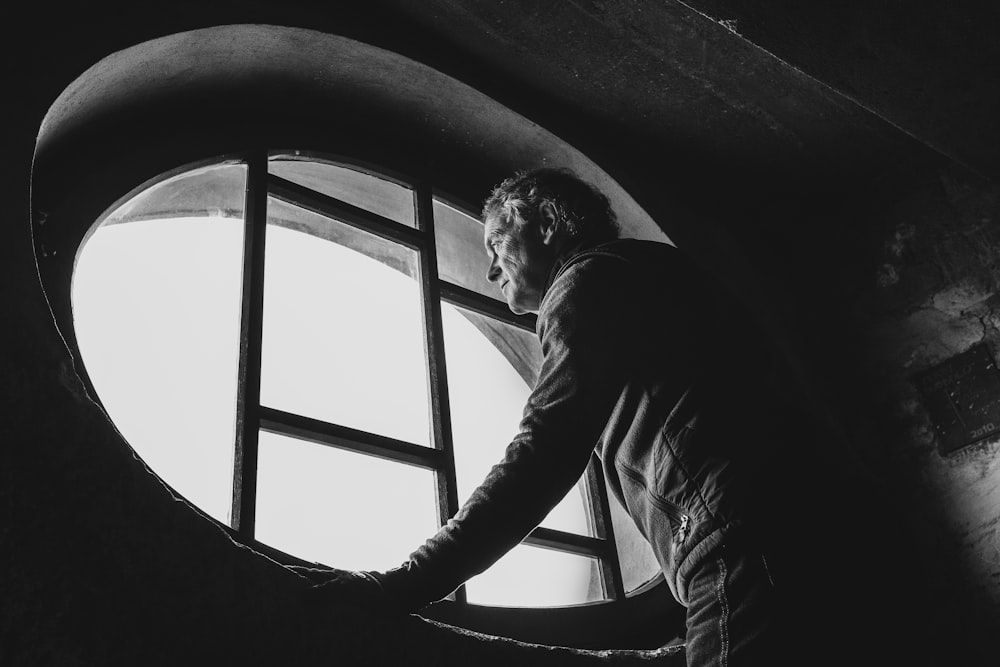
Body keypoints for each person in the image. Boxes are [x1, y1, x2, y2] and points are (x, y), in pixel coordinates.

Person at [294, 168, 925, 666]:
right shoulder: (667, 272)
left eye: (496, 243)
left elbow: (543, 452)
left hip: (744, 541)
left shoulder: (585, 283)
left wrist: (402, 584)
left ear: (542, 222)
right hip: (848, 538)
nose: (487, 269)